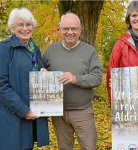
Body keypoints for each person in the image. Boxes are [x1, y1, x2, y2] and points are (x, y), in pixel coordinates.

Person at [0, 8, 49, 150]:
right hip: (9, 117)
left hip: (29, 117)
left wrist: (43, 74)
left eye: (28, 24)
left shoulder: (35, 49)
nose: (25, 29)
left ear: (33, 27)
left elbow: (35, 77)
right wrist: (23, 110)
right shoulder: (5, 48)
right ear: (13, 28)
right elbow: (0, 85)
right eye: (20, 25)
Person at [42, 12, 103, 150]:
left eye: (74, 29)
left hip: (83, 111)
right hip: (58, 112)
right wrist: (42, 73)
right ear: (60, 29)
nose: (70, 32)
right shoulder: (50, 50)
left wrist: (76, 79)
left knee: (89, 147)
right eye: (66, 28)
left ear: (80, 30)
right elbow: (40, 72)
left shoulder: (89, 51)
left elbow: (97, 77)